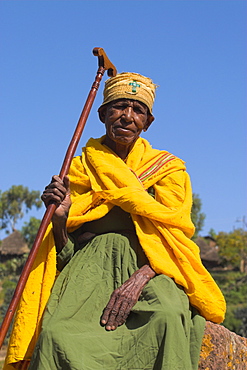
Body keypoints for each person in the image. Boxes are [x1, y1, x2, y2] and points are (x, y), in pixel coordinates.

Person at [4, 72, 226, 370]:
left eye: (138, 110)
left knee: (169, 315)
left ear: (148, 122)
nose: (127, 116)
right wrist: (59, 218)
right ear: (102, 114)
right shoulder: (79, 168)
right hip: (88, 269)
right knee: (56, 334)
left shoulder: (168, 170)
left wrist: (140, 279)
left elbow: (175, 240)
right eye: (119, 106)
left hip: (151, 267)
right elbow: (64, 253)